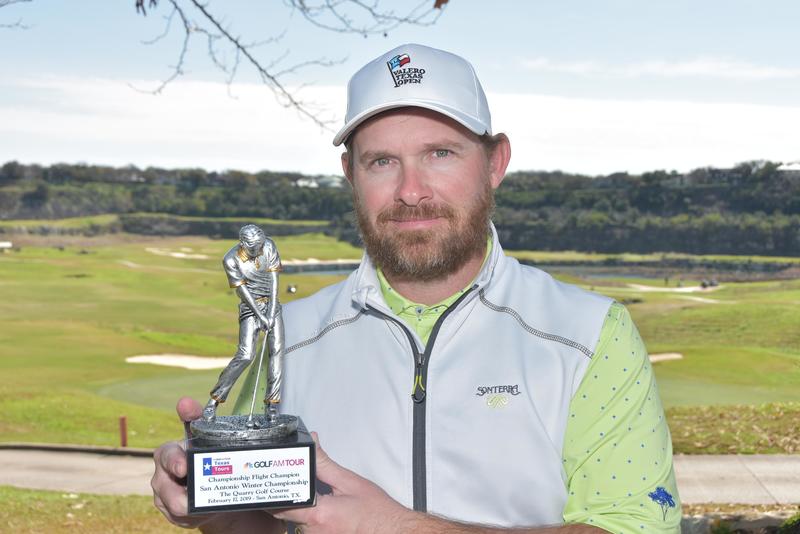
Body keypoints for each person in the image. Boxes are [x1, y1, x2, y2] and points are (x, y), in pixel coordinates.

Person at [151, 43, 681, 533]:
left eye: (440, 154)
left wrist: (394, 526)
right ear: (350, 174)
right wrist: (220, 511)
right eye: (382, 161)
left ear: (495, 163)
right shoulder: (290, 337)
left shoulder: (588, 334)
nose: (410, 191)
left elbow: (639, 527)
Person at [201, 224, 285, 425]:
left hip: (272, 305)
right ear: (243, 244)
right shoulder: (230, 259)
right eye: (254, 247)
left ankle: (272, 405)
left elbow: (274, 280)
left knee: (277, 351)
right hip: (250, 307)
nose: (259, 250)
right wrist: (261, 316)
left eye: (260, 245)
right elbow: (242, 292)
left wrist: (271, 311)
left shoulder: (269, 246)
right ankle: (214, 401)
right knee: (246, 355)